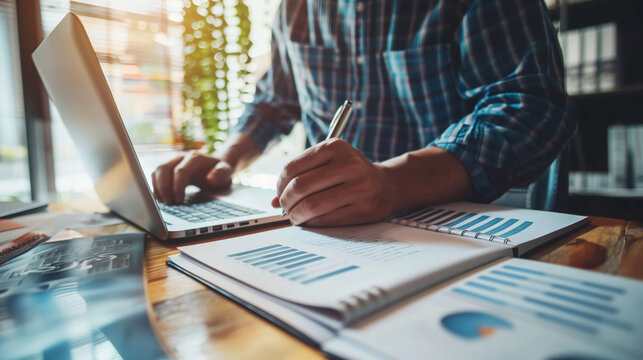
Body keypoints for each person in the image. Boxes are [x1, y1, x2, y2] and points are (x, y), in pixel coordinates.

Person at [152, 0, 575, 227]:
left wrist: (391, 183)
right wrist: (224, 161)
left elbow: (531, 107)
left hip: (448, 228)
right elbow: (272, 103)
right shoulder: (296, 8)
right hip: (324, 232)